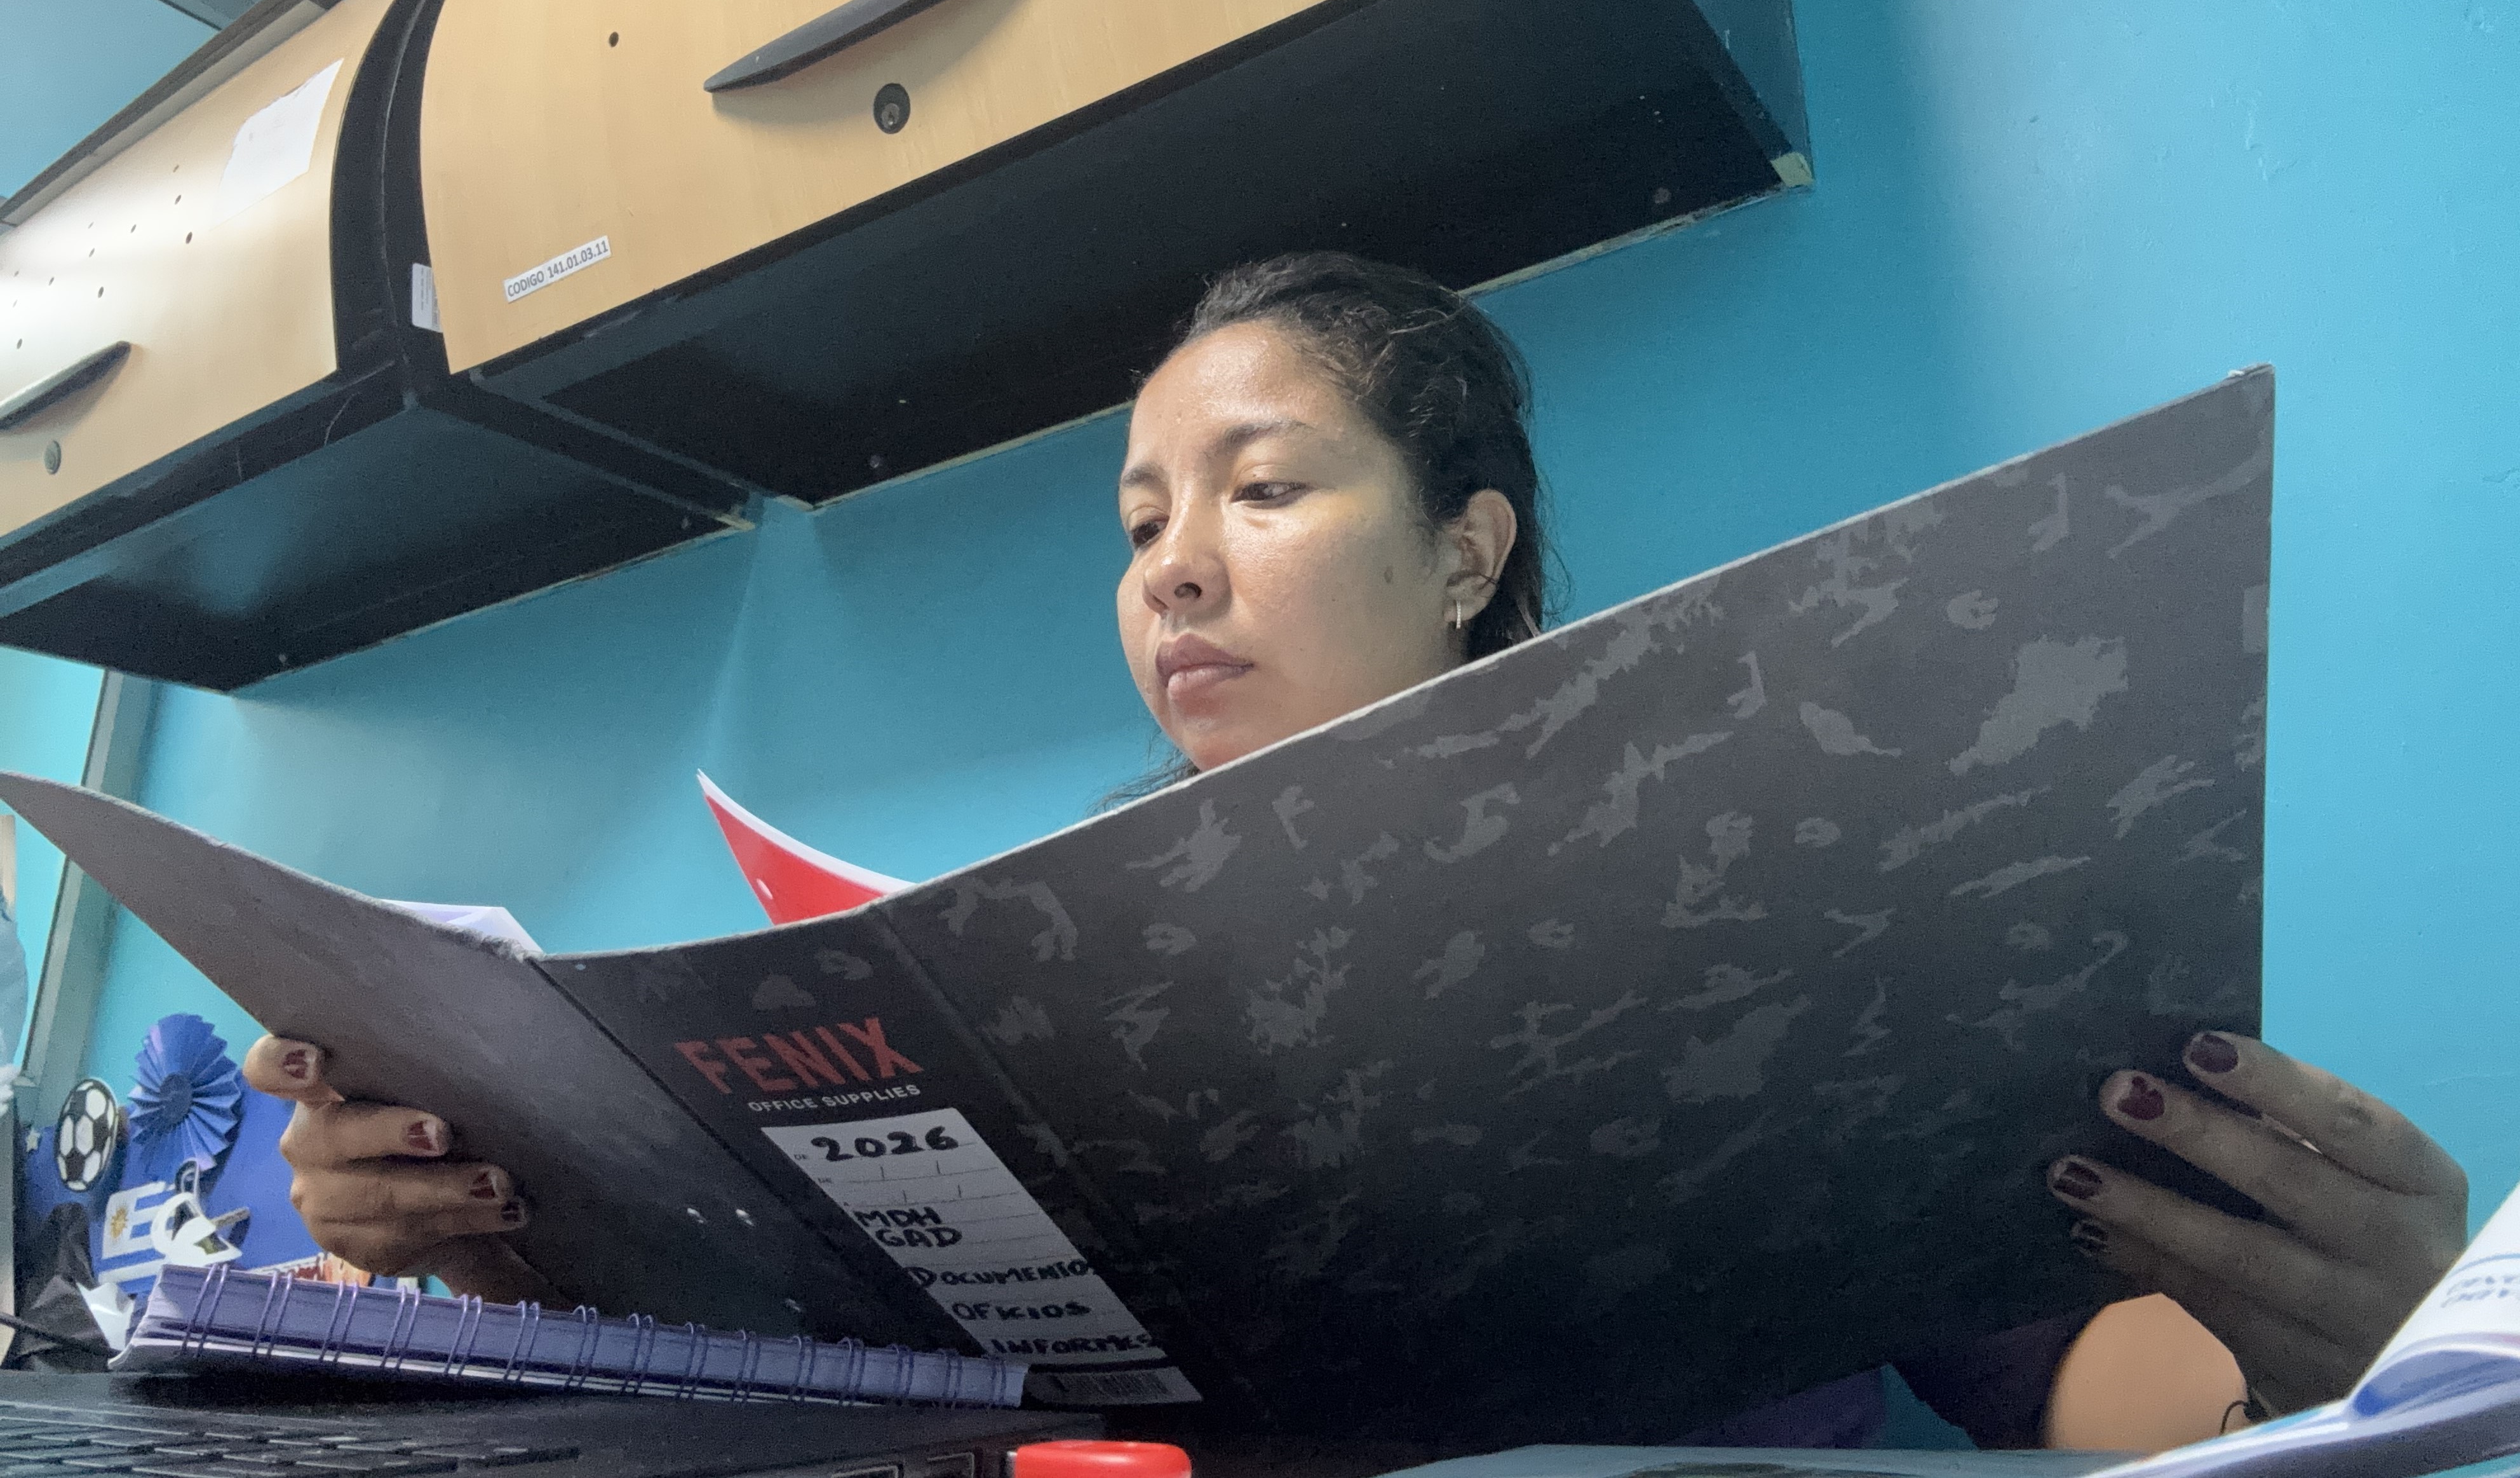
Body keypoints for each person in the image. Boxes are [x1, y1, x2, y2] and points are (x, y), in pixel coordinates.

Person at [243, 253, 2470, 1451]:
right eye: (1141, 520)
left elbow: (2066, 1384)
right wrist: (504, 1229)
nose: (1172, 565)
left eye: (1264, 488)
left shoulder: (1764, 873)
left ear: (1469, 547)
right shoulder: (1038, 971)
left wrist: (2361, 1353)